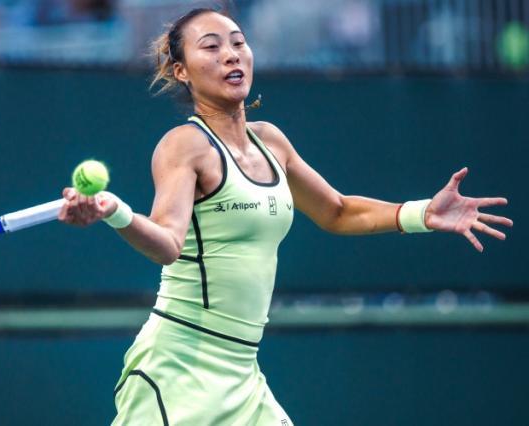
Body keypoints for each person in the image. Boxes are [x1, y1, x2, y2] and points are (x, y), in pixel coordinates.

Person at [58, 7, 513, 425]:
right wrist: (116, 211)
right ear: (182, 71)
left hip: (243, 374)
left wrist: (422, 213)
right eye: (211, 47)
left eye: (238, 43)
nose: (231, 55)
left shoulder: (271, 142)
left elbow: (336, 211)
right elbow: (167, 243)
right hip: (178, 371)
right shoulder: (184, 146)